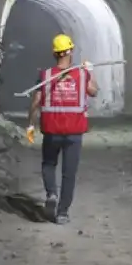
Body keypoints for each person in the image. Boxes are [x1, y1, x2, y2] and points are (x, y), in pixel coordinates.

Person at [27, 33, 98, 225]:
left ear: (55, 53)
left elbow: (35, 102)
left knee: (49, 164)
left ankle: (51, 194)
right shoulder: (82, 74)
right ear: (70, 51)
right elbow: (94, 91)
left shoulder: (46, 75)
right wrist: (90, 72)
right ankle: (62, 213)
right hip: (74, 132)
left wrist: (30, 125)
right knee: (69, 173)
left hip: (52, 130)